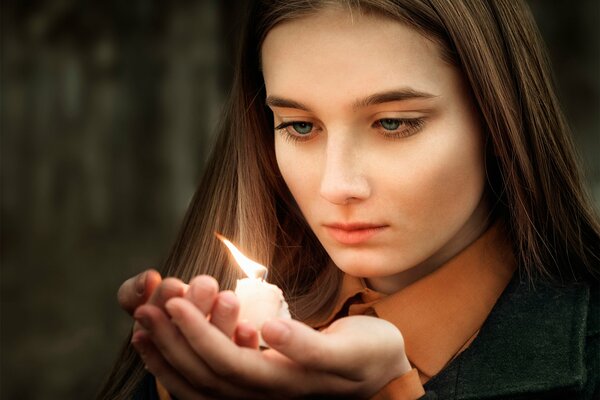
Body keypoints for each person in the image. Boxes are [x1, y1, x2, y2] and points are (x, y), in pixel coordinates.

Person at [97, 1, 600, 399]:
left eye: (393, 123)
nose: (336, 186)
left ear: (497, 119)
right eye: (299, 126)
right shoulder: (211, 339)